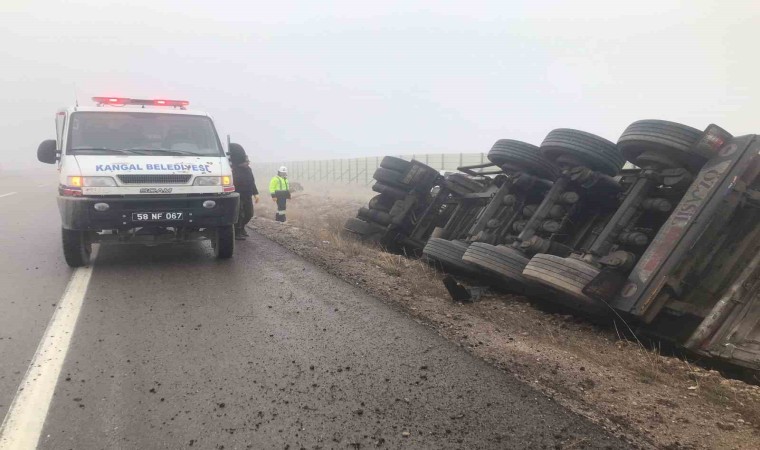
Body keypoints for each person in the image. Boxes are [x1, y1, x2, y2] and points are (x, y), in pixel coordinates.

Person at [229, 143, 259, 239]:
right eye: (246, 161)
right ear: (240, 161)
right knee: (240, 214)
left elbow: (252, 182)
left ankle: (242, 227)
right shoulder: (232, 170)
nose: (248, 162)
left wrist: (256, 193)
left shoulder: (248, 170)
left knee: (249, 214)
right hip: (238, 195)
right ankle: (237, 231)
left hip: (247, 195)